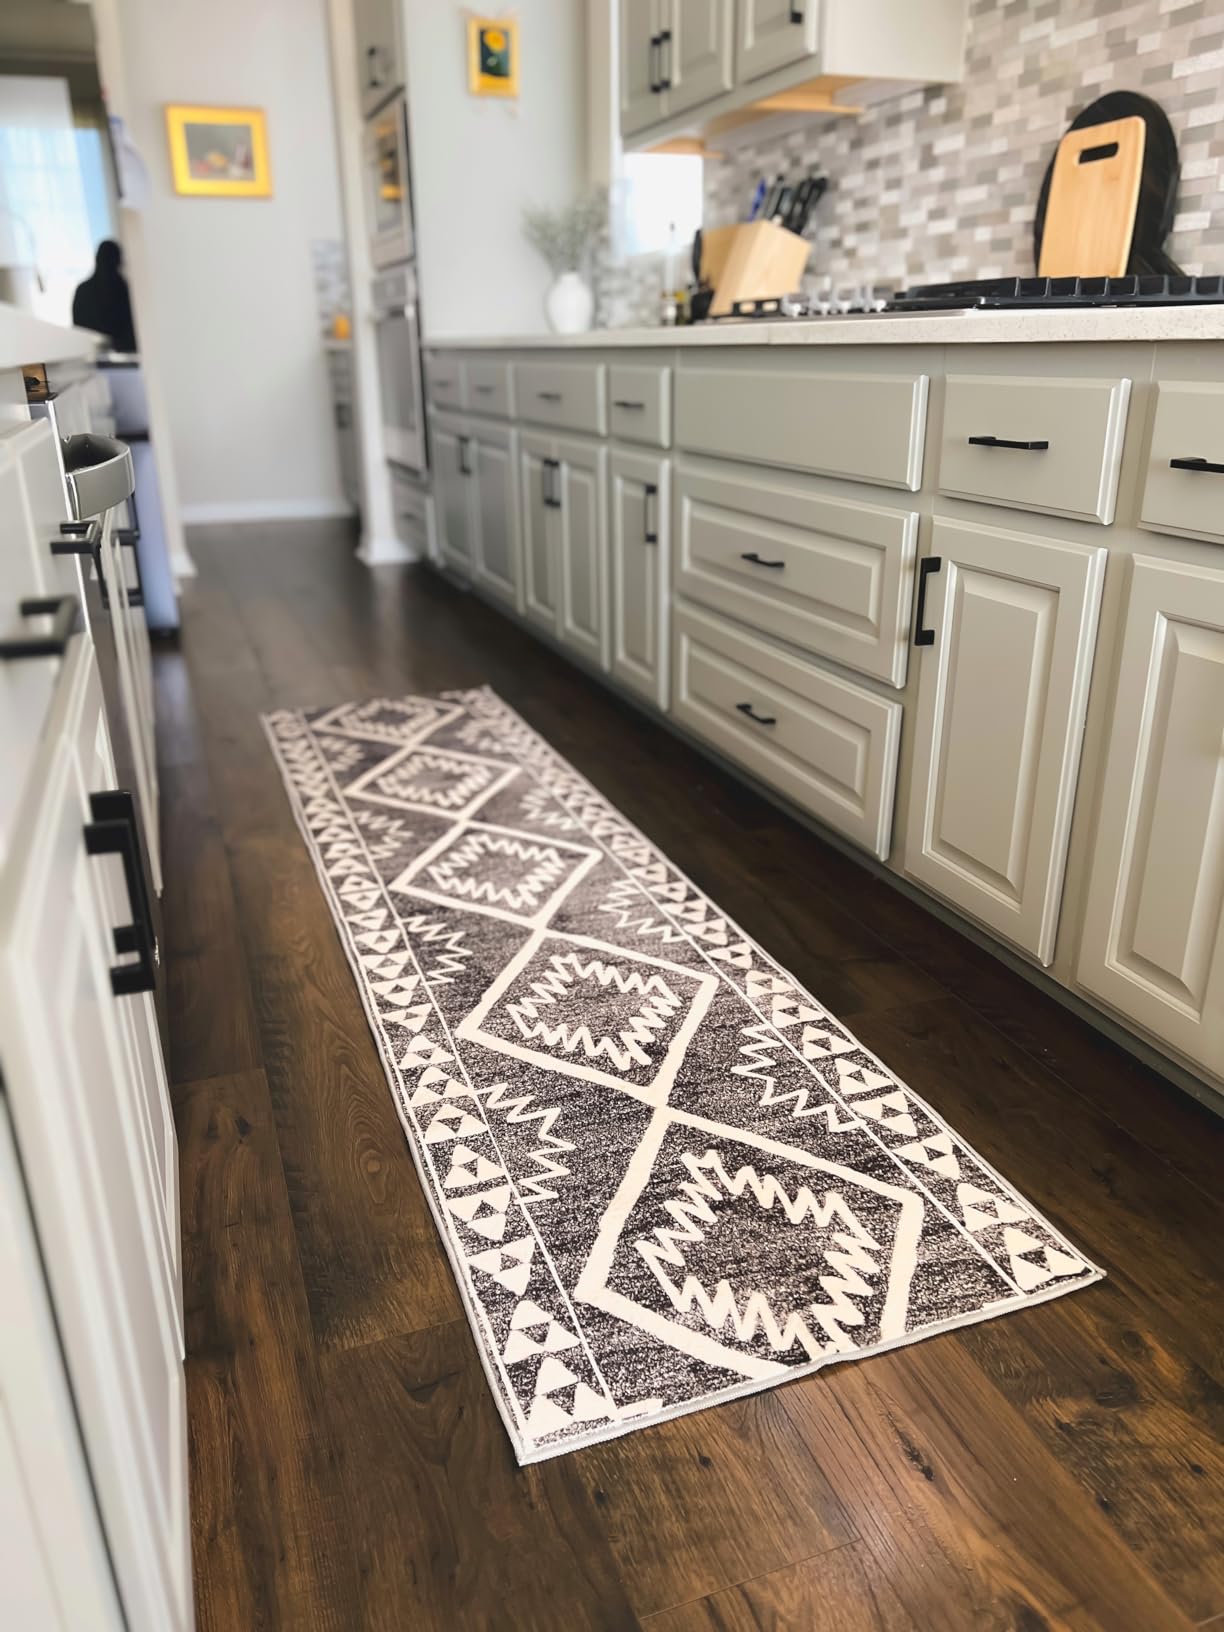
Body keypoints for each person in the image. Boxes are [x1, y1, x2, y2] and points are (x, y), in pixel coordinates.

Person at [72, 239, 137, 353]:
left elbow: (79, 330)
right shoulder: (123, 289)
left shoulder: (83, 290)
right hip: (125, 357)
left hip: (92, 357)